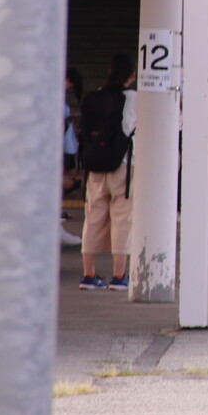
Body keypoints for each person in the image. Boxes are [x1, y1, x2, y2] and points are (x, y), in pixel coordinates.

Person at [78, 53, 136, 292]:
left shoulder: (94, 97)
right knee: (122, 219)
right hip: (122, 165)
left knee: (93, 217)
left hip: (95, 166)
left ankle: (89, 275)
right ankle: (119, 276)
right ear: (131, 75)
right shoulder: (132, 99)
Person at [60, 67, 84, 246]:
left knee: (63, 180)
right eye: (69, 83)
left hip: (66, 146)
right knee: (60, 182)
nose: (69, 87)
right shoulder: (55, 97)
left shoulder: (60, 97)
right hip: (61, 146)